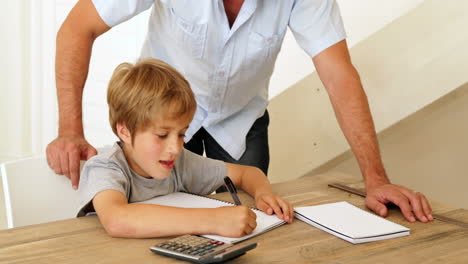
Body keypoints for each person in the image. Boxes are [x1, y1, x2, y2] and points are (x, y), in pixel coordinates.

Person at [48, 0, 433, 223]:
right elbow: (77, 28)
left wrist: (375, 177)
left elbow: (339, 77)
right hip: (160, 118)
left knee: (249, 233)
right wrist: (69, 129)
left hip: (240, 122)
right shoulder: (114, 164)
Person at [77, 58, 293, 238]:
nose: (175, 147)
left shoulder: (179, 163)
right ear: (124, 131)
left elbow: (247, 172)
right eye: (162, 135)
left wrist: (263, 194)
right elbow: (117, 220)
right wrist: (214, 220)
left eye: (182, 134)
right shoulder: (105, 167)